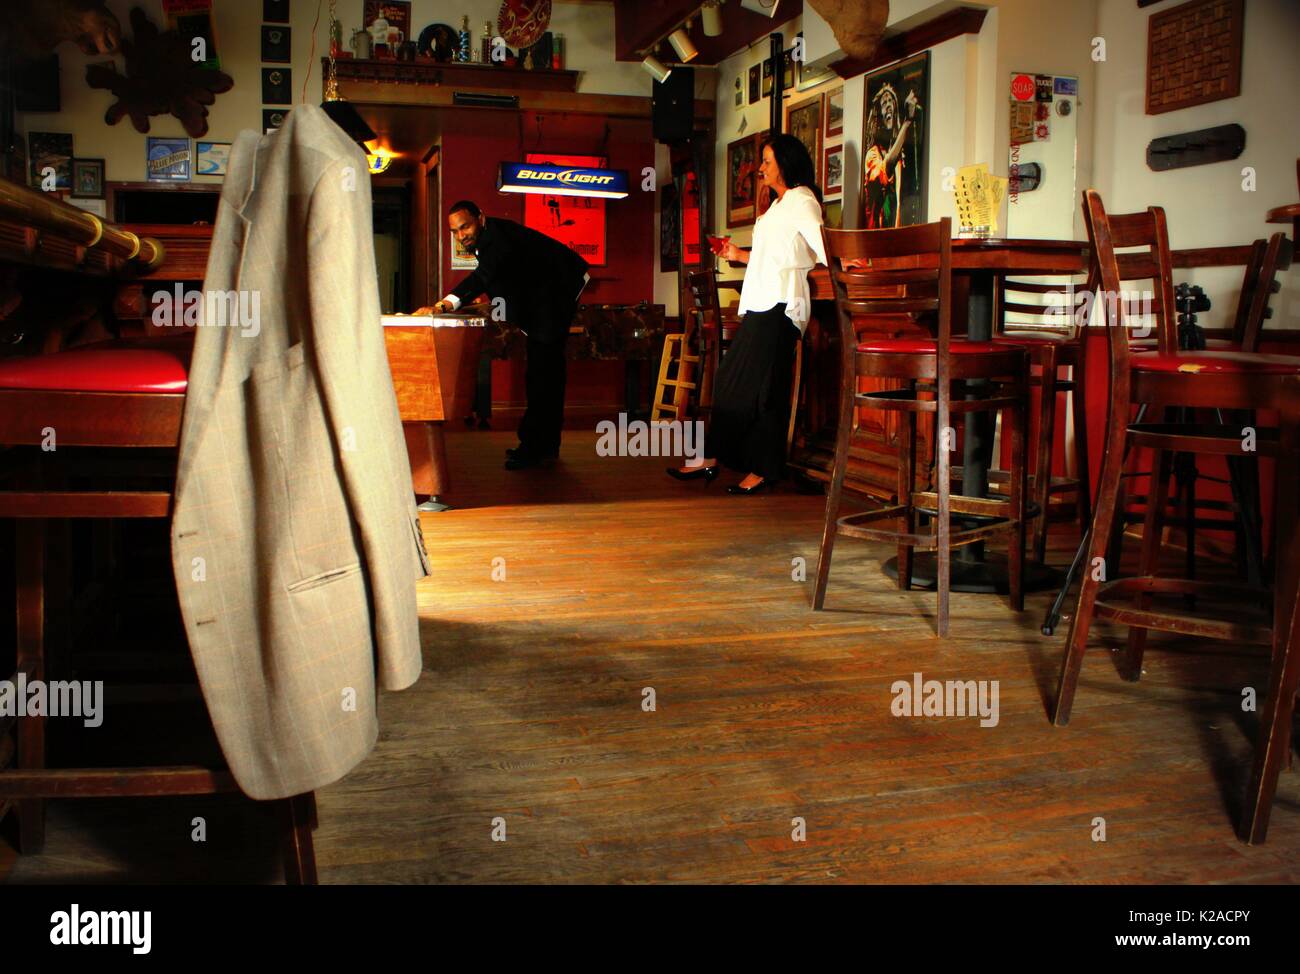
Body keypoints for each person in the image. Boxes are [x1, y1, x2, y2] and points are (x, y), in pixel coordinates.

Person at [667, 134, 826, 495]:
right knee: (738, 384)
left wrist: (849, 260)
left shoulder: (802, 200)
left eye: (768, 161)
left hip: (782, 305)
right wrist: (738, 255)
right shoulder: (777, 205)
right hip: (762, 302)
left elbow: (823, 248)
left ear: (785, 162)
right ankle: (722, 459)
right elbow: (774, 257)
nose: (761, 168)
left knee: (756, 389)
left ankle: (757, 467)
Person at [420, 201, 589, 469]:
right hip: (545, 297)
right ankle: (544, 446)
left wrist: (443, 304)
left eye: (465, 226)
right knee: (545, 374)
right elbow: (501, 275)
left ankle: (535, 449)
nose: (461, 235)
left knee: (543, 374)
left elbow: (483, 276)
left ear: (481, 218)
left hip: (556, 292)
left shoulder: (495, 238)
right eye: (455, 231)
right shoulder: (492, 236)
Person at [863, 83, 921, 229]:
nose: (888, 106)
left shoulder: (900, 156)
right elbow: (886, 168)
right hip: (877, 243)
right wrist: (907, 122)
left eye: (891, 102)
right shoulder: (872, 154)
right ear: (878, 116)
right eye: (884, 103)